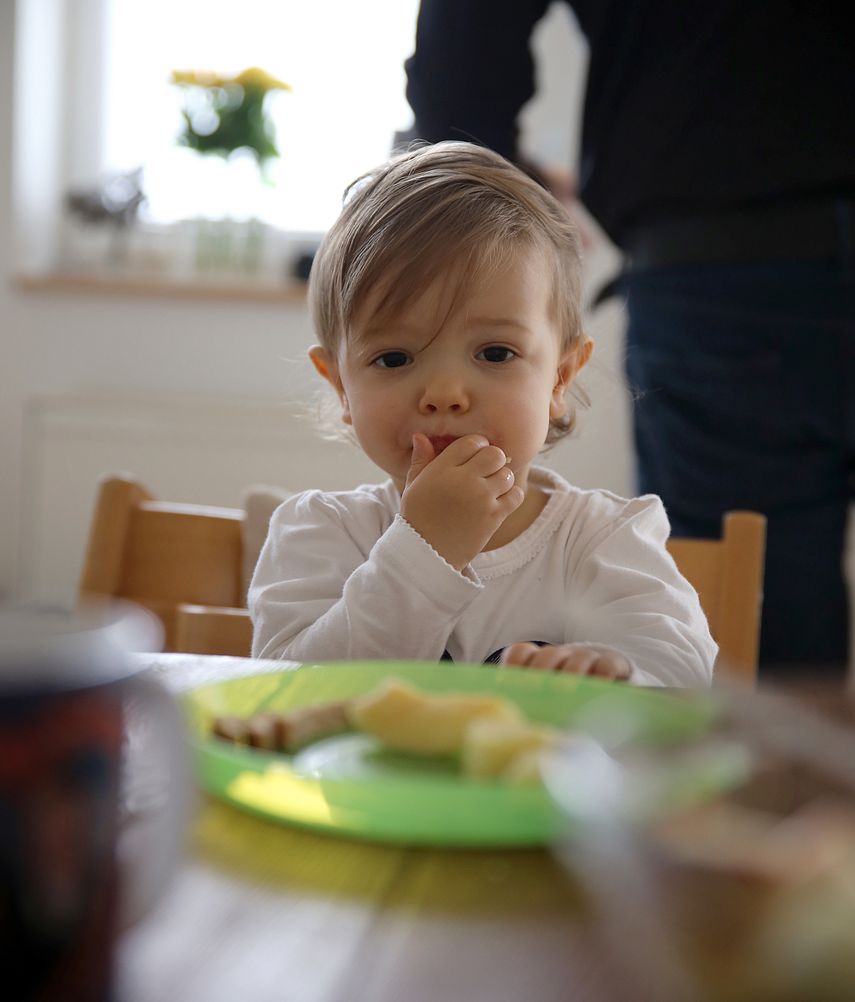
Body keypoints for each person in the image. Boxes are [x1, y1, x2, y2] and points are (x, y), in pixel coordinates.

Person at [404, 1, 855, 674]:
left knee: (759, 645)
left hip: (726, 257)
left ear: (562, 376)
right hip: (725, 263)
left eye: (495, 352)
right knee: (737, 631)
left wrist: (486, 212)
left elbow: (467, 44)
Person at [249, 142, 716, 687]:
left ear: (560, 378)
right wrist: (423, 551)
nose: (444, 393)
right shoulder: (321, 533)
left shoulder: (602, 539)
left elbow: (682, 678)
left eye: (495, 353)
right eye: (393, 358)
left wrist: (618, 678)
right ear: (341, 387)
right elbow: (288, 694)